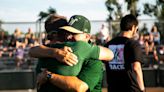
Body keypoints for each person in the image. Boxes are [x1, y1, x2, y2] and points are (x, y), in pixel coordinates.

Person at [29, 15, 114, 92]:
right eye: (67, 33)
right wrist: (55, 52)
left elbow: (80, 87)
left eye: (73, 33)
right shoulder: (51, 49)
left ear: (87, 37)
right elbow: (33, 51)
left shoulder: (90, 56)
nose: (68, 37)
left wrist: (49, 76)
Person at [104, 14, 145, 92]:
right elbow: (136, 68)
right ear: (133, 27)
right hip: (130, 88)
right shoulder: (133, 44)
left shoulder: (108, 44)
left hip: (113, 88)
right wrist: (142, 89)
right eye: (136, 29)